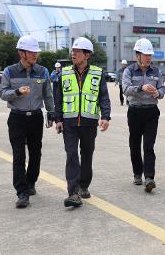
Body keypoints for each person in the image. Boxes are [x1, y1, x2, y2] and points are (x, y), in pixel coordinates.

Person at [54, 37, 111, 208]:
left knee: (87, 155)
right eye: (73, 51)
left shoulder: (97, 73)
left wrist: (106, 117)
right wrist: (57, 119)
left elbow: (103, 97)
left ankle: (84, 185)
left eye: (77, 52)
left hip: (89, 122)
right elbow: (58, 98)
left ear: (87, 55)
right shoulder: (63, 73)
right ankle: (73, 193)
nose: (73, 54)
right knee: (71, 155)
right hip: (69, 123)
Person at [0, 35, 55, 208]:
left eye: (36, 52)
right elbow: (2, 93)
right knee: (19, 156)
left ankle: (31, 182)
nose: (35, 55)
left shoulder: (43, 71)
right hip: (17, 118)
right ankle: (22, 192)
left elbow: (48, 94)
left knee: (36, 153)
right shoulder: (9, 71)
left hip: (36, 118)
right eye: (31, 52)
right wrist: (16, 92)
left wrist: (51, 113)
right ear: (21, 53)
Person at [122, 39, 165, 193]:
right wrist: (141, 88)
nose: (148, 58)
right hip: (134, 112)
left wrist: (158, 92)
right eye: (145, 55)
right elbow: (125, 89)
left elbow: (163, 89)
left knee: (148, 145)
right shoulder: (129, 71)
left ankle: (149, 178)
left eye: (150, 55)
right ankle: (137, 173)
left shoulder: (156, 71)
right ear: (137, 55)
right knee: (134, 145)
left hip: (151, 112)